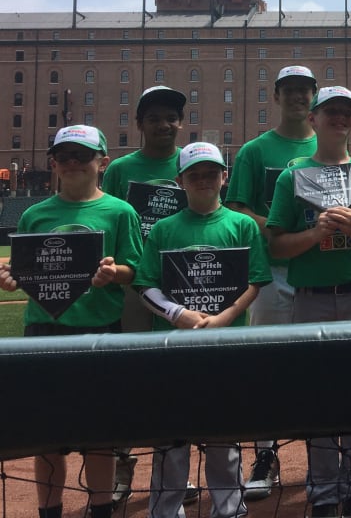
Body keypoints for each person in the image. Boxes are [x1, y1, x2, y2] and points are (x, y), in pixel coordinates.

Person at [0, 125, 143, 518]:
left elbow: (138, 270)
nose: (74, 162)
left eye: (83, 155)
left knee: (99, 433)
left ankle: (99, 510)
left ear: (103, 162)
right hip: (43, 332)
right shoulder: (35, 213)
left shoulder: (120, 211)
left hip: (100, 331)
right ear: (54, 164)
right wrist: (10, 278)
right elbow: (24, 273)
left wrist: (116, 273)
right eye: (65, 156)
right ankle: (50, 511)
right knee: (47, 436)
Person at [266, 85, 351, 518]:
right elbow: (276, 247)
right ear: (314, 120)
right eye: (331, 112)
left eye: (347, 113)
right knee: (318, 397)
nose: (340, 118)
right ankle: (322, 493)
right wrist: (316, 233)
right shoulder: (292, 175)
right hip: (310, 299)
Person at [135, 142, 270, 518]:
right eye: (194, 174)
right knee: (172, 438)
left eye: (211, 172)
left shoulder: (241, 224)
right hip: (175, 345)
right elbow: (145, 284)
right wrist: (177, 314)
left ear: (224, 177)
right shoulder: (164, 229)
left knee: (224, 436)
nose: (203, 179)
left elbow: (255, 281)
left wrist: (226, 315)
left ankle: (229, 508)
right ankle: (165, 510)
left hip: (226, 343)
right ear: (181, 180)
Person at [225, 65, 319, 499]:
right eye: (291, 90)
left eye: (305, 90)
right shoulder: (255, 150)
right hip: (271, 274)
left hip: (320, 274)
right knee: (266, 366)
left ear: (313, 97)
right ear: (277, 96)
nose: (298, 97)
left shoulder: (328, 143)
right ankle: (265, 455)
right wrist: (285, 231)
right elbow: (238, 209)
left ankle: (326, 457)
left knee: (324, 367)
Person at [101, 84, 193, 505]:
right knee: (129, 377)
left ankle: (177, 474)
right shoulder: (122, 169)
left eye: (171, 117)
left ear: (181, 122)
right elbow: (112, 222)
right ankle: (123, 470)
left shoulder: (195, 161)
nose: (164, 124)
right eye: (154, 117)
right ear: (139, 124)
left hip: (186, 284)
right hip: (136, 286)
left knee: (177, 379)